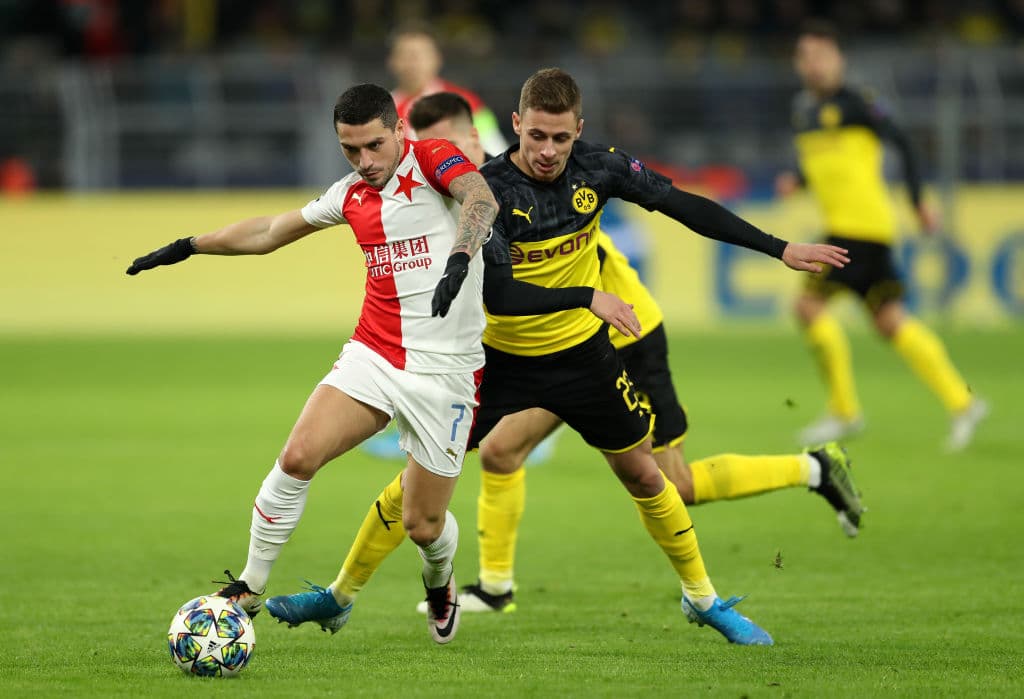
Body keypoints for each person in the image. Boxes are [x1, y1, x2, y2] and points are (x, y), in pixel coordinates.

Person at [315, 68, 852, 646]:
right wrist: (588, 296)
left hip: (585, 359)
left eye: (561, 139)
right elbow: (501, 296)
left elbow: (683, 205)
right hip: (500, 362)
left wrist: (780, 247)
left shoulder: (601, 169)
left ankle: (704, 599)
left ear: (579, 132)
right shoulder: (489, 191)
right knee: (423, 474)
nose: (548, 152)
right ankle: (341, 594)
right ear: (516, 125)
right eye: (537, 136)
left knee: (648, 475)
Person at [125, 83, 502, 645]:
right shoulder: (350, 194)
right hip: (374, 353)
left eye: (373, 146)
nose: (364, 162)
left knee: (424, 526)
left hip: (447, 372)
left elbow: (481, 199)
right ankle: (249, 586)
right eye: (350, 150)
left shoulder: (431, 159)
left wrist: (458, 257)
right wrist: (189, 245)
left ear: (400, 130)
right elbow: (271, 231)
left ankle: (440, 581)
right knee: (298, 455)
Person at [775, 20, 988, 450]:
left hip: (856, 230)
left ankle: (844, 411)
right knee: (890, 321)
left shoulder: (858, 102)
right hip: (860, 231)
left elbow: (904, 143)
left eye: (821, 55)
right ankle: (962, 403)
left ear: (839, 59)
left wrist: (918, 202)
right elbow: (827, 166)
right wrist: (797, 179)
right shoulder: (803, 112)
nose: (812, 64)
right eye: (805, 56)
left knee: (807, 307)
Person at [388, 23, 508, 156]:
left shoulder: (465, 101)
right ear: (392, 61)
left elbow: (497, 153)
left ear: (437, 59)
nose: (413, 63)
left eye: (420, 55)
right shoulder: (383, 109)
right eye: (405, 55)